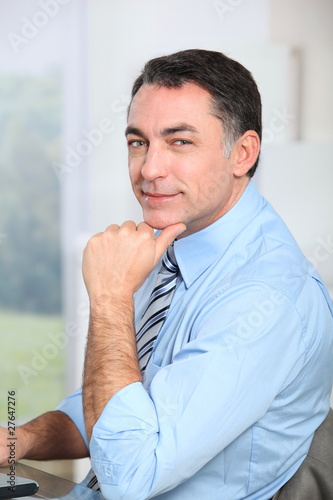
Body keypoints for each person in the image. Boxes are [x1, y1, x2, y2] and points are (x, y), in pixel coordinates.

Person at [1, 49, 333, 500]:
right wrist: (18, 440)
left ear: (243, 153)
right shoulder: (178, 242)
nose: (149, 170)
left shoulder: (264, 296)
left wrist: (110, 298)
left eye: (179, 141)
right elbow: (118, 402)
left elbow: (129, 476)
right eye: (139, 142)